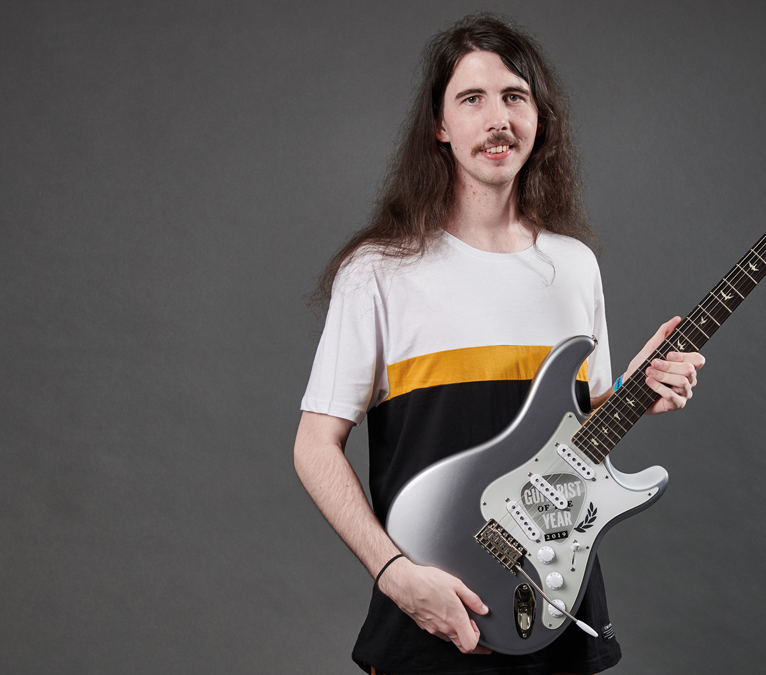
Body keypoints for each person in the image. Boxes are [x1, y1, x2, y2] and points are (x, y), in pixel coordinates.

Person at [294, 13, 705, 675]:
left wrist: (635, 392)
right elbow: (314, 445)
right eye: (472, 99)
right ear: (439, 124)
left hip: (555, 607)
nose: (498, 120)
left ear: (539, 118)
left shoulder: (573, 265)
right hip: (431, 618)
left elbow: (574, 444)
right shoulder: (378, 272)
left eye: (515, 97)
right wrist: (396, 574)